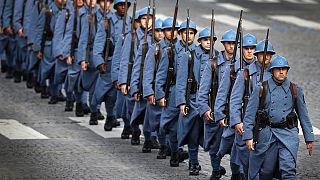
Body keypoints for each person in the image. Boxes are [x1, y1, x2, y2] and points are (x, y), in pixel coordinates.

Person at [242, 55, 314, 179]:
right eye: (278, 69)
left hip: (288, 134)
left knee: (288, 170)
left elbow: (303, 115)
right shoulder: (261, 88)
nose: (281, 72)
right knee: (266, 172)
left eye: (284, 69)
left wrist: (309, 138)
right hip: (267, 135)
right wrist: (248, 136)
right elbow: (249, 115)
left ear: (287, 70)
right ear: (272, 71)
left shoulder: (295, 89)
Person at [230, 38, 275, 179]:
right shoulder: (245, 73)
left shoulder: (275, 73)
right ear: (257, 55)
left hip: (266, 126)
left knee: (267, 165)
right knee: (248, 164)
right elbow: (235, 100)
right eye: (263, 53)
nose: (266, 57)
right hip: (246, 123)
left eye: (269, 54)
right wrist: (237, 121)